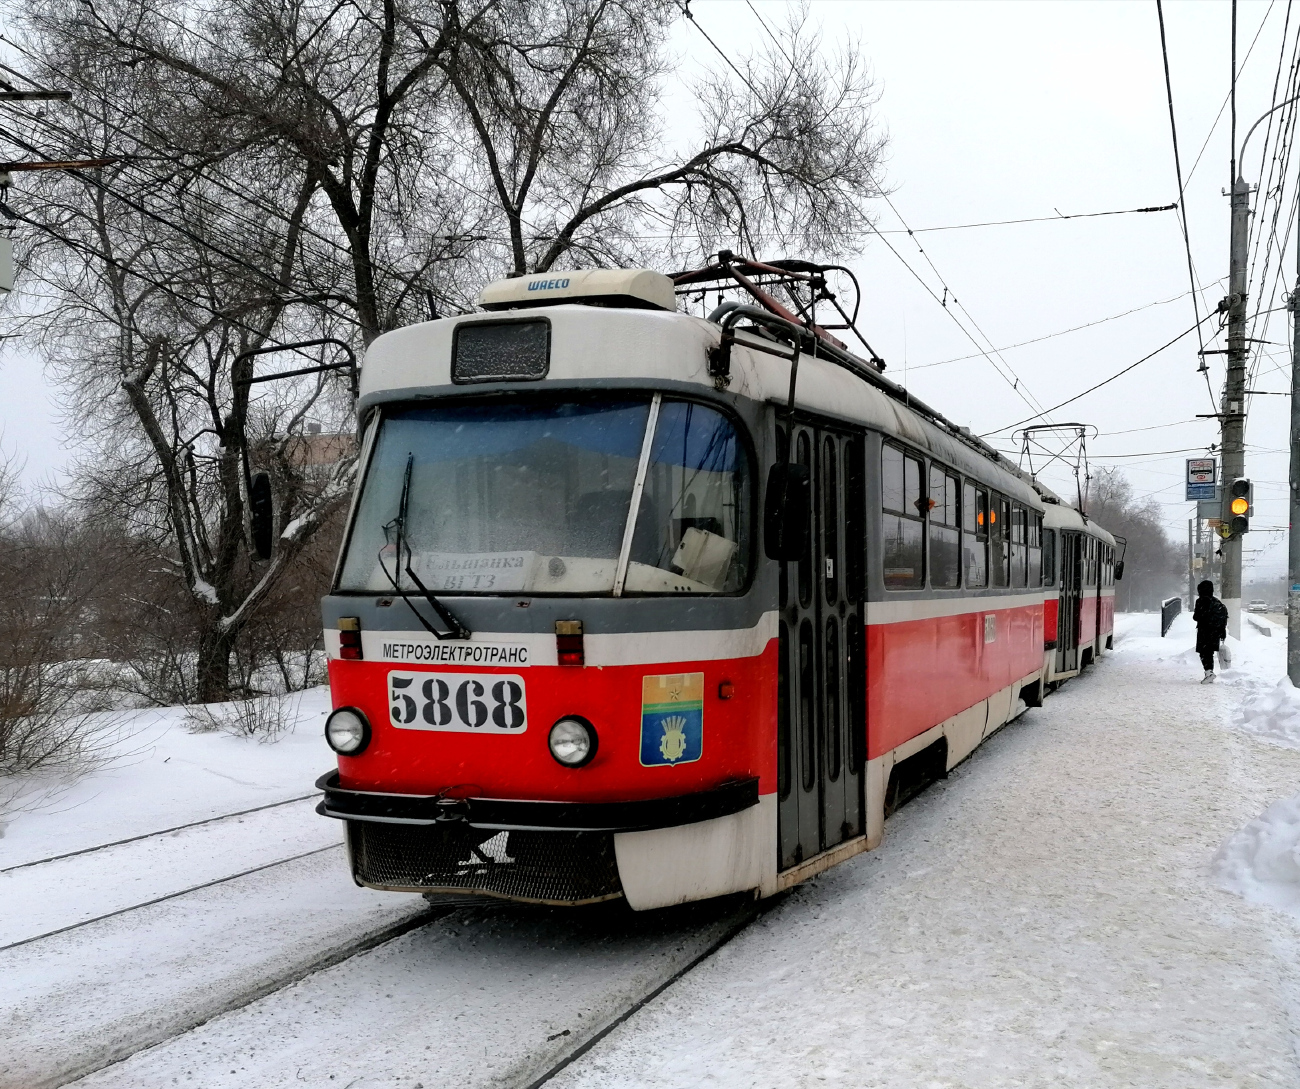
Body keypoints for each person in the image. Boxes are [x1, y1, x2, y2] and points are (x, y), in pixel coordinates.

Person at [1192, 579, 1229, 683]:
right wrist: (1222, 632)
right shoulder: (1217, 602)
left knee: (1204, 653)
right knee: (1209, 652)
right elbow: (1223, 618)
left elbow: (1196, 617)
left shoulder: (1200, 601)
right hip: (1215, 632)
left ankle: (1209, 673)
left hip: (1204, 630)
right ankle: (1209, 673)